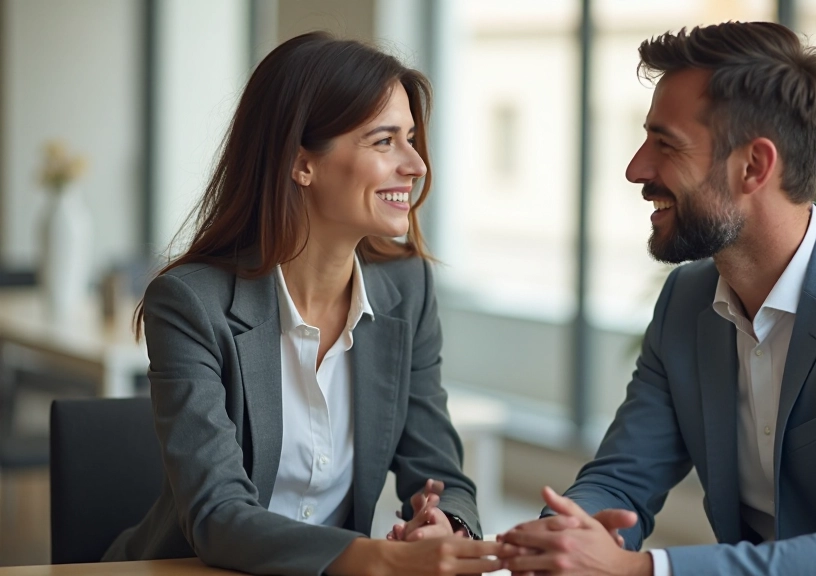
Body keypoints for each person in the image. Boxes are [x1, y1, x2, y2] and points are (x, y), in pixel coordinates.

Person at [499, 21, 816, 576]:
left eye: (666, 144)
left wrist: (642, 570)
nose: (636, 168)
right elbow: (621, 479)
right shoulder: (686, 302)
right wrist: (564, 535)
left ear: (754, 166)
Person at [103, 32, 514, 576]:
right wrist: (384, 558)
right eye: (384, 141)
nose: (415, 164)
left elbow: (439, 470)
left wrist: (445, 523)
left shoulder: (406, 287)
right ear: (302, 164)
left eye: (411, 138)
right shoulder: (189, 304)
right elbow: (217, 517)